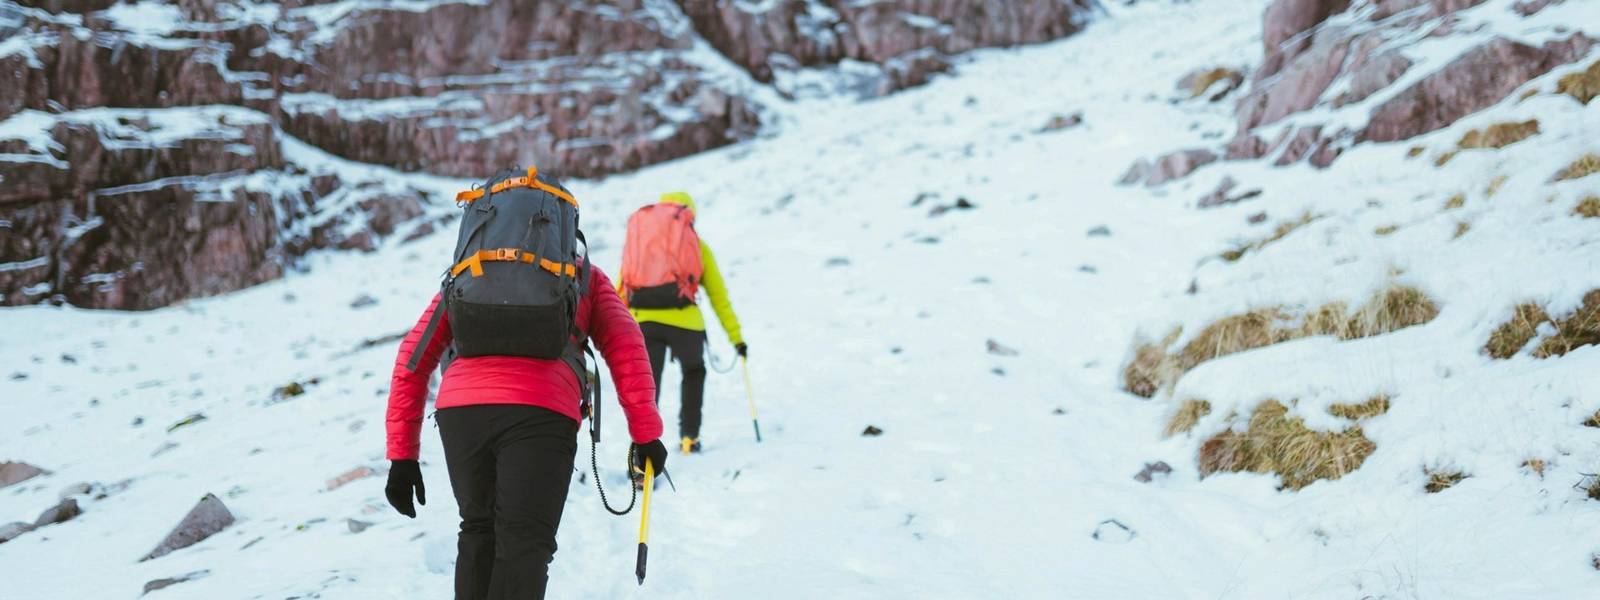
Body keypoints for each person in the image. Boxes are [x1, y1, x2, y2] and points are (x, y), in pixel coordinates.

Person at [383, 262, 669, 600]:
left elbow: (413, 357)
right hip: (543, 408)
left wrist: (402, 457)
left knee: (477, 531)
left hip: (463, 411)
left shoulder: (472, 266)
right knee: (524, 544)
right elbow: (626, 347)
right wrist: (646, 434)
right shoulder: (582, 274)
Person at [618, 191, 744, 455]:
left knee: (648, 387)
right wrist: (736, 338)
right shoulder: (696, 244)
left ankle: (643, 454)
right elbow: (719, 297)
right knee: (693, 372)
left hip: (645, 322)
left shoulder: (643, 242)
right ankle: (690, 437)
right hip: (687, 325)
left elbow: (622, 288)